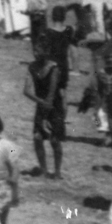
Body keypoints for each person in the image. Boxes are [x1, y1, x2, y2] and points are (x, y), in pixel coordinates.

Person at [25, 36, 68, 179]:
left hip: (55, 107)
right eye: (34, 50)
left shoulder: (54, 68)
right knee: (37, 138)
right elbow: (26, 90)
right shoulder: (32, 67)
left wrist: (44, 110)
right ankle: (43, 169)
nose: (36, 53)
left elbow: (52, 93)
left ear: (47, 51)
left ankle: (57, 172)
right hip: (41, 105)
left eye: (39, 50)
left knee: (54, 140)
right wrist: (39, 102)